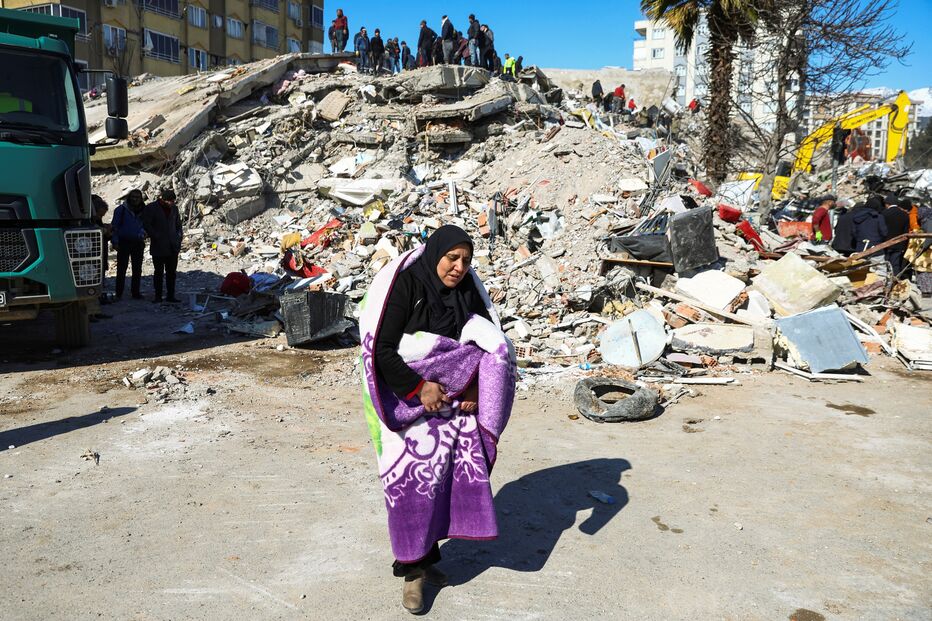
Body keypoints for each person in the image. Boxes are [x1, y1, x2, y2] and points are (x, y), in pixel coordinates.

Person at [360, 225, 516, 614]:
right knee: (410, 485)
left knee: (442, 479)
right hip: (406, 400)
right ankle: (412, 573)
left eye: (466, 260)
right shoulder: (407, 286)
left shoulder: (466, 293)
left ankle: (429, 562)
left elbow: (485, 345)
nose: (459, 267)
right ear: (436, 254)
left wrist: (475, 387)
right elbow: (381, 349)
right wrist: (418, 388)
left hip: (451, 404)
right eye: (452, 258)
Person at [142, 188, 183, 304]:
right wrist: (155, 236)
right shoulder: (151, 208)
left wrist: (179, 237)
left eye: (173, 201)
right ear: (163, 200)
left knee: (171, 273)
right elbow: (147, 224)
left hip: (172, 246)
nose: (172, 203)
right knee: (158, 273)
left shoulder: (174, 209)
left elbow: (178, 225)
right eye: (170, 201)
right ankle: (158, 296)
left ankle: (171, 295)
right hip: (158, 246)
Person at [111, 189, 147, 300]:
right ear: (129, 198)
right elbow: (114, 227)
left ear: (141, 199)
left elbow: (147, 224)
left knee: (137, 269)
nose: (135, 199)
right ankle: (119, 293)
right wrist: (115, 241)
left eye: (137, 197)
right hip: (123, 243)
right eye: (133, 197)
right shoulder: (121, 210)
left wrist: (145, 233)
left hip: (138, 243)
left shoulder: (144, 210)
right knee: (121, 269)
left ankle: (135, 293)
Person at [904, 204, 932, 297]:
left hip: (926, 253)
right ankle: (925, 289)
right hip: (925, 252)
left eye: (919, 213)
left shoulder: (928, 222)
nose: (918, 215)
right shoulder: (925, 221)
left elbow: (929, 237)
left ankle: (926, 291)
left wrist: (923, 247)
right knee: (923, 271)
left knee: (924, 271)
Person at [884, 197, 912, 276]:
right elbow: (906, 231)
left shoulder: (884, 213)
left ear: (887, 204)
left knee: (885, 263)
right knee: (895, 264)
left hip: (885, 243)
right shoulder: (905, 215)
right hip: (899, 244)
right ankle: (895, 281)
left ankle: (885, 280)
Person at [91, 195, 112, 274]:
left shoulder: (98, 220)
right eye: (99, 215)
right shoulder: (87, 221)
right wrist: (104, 230)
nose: (100, 218)